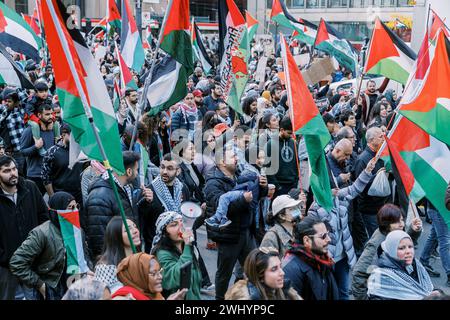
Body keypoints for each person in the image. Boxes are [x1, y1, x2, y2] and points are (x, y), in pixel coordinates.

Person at [307, 157, 376, 300]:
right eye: (334, 187)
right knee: (329, 293)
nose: (338, 189)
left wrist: (367, 170)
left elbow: (355, 188)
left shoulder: (341, 198)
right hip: (327, 258)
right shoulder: (315, 209)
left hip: (343, 256)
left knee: (344, 291)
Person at [204, 146, 268, 300]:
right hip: (229, 235)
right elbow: (220, 206)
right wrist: (242, 200)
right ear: (221, 161)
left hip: (246, 231)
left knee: (255, 268)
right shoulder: (213, 182)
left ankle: (246, 297)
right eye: (233, 157)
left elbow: (256, 197)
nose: (237, 159)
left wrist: (263, 187)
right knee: (224, 273)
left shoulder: (240, 175)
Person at [9, 192, 92, 300]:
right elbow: (16, 262)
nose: (75, 211)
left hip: (74, 284)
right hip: (52, 287)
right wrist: (39, 284)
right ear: (57, 211)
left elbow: (84, 256)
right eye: (70, 208)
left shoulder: (77, 230)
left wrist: (87, 269)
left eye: (76, 206)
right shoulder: (41, 233)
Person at [85, 151, 153, 258]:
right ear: (129, 171)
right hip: (115, 261)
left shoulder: (126, 188)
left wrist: (145, 202)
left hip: (127, 255)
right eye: (136, 170)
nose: (136, 174)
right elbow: (99, 238)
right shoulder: (99, 197)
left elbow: (130, 215)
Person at [0, 155, 48, 299]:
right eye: (7, 171)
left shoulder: (30, 188)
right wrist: (5, 258)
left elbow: (44, 218)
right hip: (6, 268)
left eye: (14, 168)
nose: (13, 173)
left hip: (34, 262)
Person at [352, 204, 423, 300]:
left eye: (402, 220)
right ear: (386, 224)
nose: (401, 224)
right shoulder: (376, 244)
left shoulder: (392, 234)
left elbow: (402, 247)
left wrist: (413, 231)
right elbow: (358, 273)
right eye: (397, 222)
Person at [367, 230, 438, 300]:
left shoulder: (415, 265)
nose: (408, 251)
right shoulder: (381, 277)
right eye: (401, 248)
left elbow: (424, 288)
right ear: (391, 250)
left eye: (410, 247)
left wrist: (437, 292)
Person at [282, 215, 339, 300]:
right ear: (307, 240)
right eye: (323, 236)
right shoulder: (291, 269)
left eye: (328, 234)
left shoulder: (323, 260)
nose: (329, 239)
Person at [143, 153, 190, 251]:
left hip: (178, 245)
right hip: (157, 247)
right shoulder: (150, 191)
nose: (164, 171)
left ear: (178, 171)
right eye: (162, 167)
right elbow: (143, 220)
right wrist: (147, 203)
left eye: (169, 168)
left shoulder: (183, 188)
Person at [151, 211, 202, 300]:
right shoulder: (161, 253)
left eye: (182, 222)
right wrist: (187, 245)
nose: (181, 227)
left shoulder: (189, 249)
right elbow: (177, 278)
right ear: (164, 232)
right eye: (174, 225)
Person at [352, 127, 389, 239]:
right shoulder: (362, 159)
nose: (384, 138)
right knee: (376, 240)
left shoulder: (380, 155)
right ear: (372, 140)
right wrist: (379, 178)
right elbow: (360, 186)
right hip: (369, 209)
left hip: (380, 206)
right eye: (380, 136)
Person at [225, 247, 302, 300]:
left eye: (280, 266)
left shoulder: (286, 291)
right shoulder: (244, 297)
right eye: (274, 269)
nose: (282, 273)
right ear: (259, 276)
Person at [94, 216, 141, 294]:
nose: (135, 231)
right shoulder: (106, 267)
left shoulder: (140, 259)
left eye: (135, 227)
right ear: (116, 236)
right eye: (128, 229)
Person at [112, 252, 187, 300]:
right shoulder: (122, 298)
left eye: (160, 271)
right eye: (153, 274)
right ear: (139, 277)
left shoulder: (156, 295)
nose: (160, 277)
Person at [20, 104, 57, 195]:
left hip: (52, 174)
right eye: (47, 114)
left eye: (52, 114)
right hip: (35, 175)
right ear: (39, 115)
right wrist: (35, 147)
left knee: (54, 204)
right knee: (35, 206)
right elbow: (22, 151)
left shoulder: (54, 129)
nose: (51, 117)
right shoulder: (30, 130)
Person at [41, 124, 84, 202]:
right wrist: (53, 197)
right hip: (61, 196)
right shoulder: (52, 152)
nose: (76, 138)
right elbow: (46, 178)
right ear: (64, 135)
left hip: (79, 196)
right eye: (73, 135)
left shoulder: (82, 149)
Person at [260, 195, 305, 259]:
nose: (297, 211)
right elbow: (265, 264)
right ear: (281, 216)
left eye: (297, 207)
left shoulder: (297, 230)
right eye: (292, 209)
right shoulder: (271, 237)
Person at [266, 116, 298, 198]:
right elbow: (268, 167)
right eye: (289, 133)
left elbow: (297, 163)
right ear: (282, 130)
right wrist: (277, 186)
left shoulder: (294, 143)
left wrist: (295, 181)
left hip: (292, 185)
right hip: (279, 186)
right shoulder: (270, 144)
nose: (291, 135)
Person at [0, 89, 25, 174]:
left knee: (18, 173)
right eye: (6, 101)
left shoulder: (20, 111)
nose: (7, 103)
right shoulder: (4, 110)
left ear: (16, 102)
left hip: (17, 151)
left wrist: (16, 87)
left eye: (9, 101)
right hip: (4, 151)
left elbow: (23, 97)